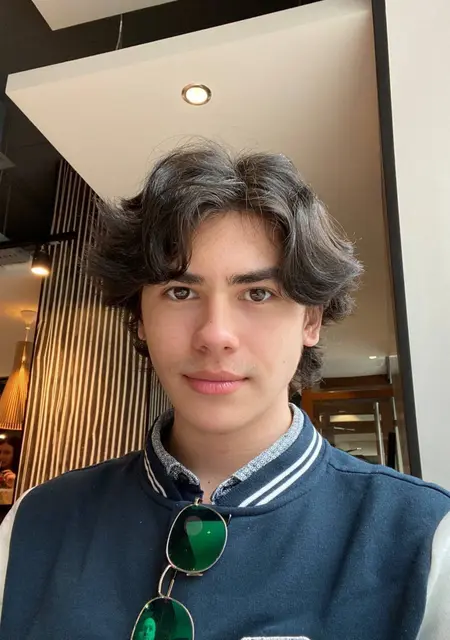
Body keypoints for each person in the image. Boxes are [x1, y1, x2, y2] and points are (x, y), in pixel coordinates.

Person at [0, 142, 449, 640]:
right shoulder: (34, 525)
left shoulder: (426, 540)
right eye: (180, 292)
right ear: (140, 317)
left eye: (258, 293)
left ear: (311, 319)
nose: (215, 334)